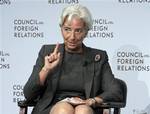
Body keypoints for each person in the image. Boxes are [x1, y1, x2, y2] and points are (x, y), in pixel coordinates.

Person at [23, 4, 123, 114]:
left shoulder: (97, 57)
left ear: (86, 32)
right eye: (67, 29)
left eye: (78, 31)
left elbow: (116, 91)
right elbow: (29, 94)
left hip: (86, 106)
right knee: (64, 110)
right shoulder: (48, 52)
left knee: (83, 111)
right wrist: (46, 69)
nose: (72, 37)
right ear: (61, 29)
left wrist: (93, 101)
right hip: (51, 107)